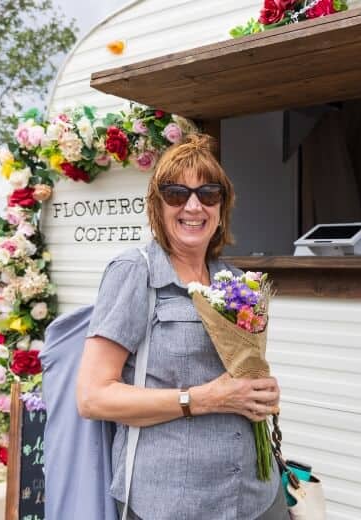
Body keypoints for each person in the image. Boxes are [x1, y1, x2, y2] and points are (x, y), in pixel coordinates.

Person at [76, 134, 286, 520]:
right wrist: (204, 399)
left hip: (255, 495)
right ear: (158, 205)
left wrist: (261, 391)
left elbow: (239, 375)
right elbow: (93, 397)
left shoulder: (234, 281)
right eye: (176, 194)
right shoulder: (135, 272)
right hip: (172, 503)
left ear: (222, 206)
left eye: (208, 194)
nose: (193, 206)